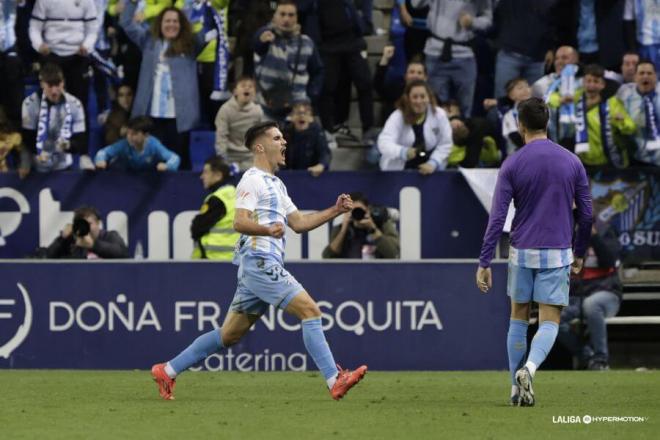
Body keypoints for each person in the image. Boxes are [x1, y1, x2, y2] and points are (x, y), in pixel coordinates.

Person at [150, 121, 368, 401]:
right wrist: (267, 230)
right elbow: (239, 222)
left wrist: (335, 210)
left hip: (256, 267)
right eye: (278, 138)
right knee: (311, 312)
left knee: (228, 335)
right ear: (260, 146)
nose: (284, 142)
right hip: (260, 261)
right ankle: (334, 379)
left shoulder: (277, 184)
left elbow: (299, 223)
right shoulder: (251, 179)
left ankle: (166, 371)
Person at [476, 97, 592, 407]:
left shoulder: (513, 163)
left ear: (520, 125)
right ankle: (530, 369)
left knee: (518, 318)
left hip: (522, 251)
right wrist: (579, 251)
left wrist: (485, 259)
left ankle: (515, 390)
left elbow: (497, 217)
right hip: (557, 252)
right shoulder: (571, 161)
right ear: (548, 122)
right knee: (549, 321)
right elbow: (587, 213)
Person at [119, 2, 208, 170]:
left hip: (179, 117)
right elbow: (127, 23)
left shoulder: (191, 44)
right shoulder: (148, 41)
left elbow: (210, 30)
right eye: (167, 21)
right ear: (160, 24)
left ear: (181, 25)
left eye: (175, 21)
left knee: (180, 160)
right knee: (151, 162)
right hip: (151, 114)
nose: (171, 25)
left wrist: (209, 8)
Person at [412, 0, 493, 118]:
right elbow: (416, 4)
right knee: (435, 107)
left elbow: (488, 20)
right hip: (435, 52)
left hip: (464, 54)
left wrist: (473, 22)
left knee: (465, 109)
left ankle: (462, 134)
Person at [558, 223, 622, 371]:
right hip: (577, 297)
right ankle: (588, 357)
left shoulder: (607, 232)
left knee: (591, 304)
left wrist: (593, 236)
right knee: (553, 318)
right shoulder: (567, 237)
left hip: (606, 294)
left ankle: (601, 358)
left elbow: (610, 261)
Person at [547, 64, 635, 168]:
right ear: (583, 82)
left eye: (596, 81)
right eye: (588, 81)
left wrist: (621, 122)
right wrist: (560, 100)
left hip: (610, 161)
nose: (591, 85)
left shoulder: (612, 103)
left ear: (602, 84)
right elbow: (549, 99)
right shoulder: (575, 98)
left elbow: (631, 128)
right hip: (581, 161)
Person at [253, 0, 323, 121]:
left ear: (296, 17)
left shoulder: (307, 42)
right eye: (282, 14)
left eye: (291, 15)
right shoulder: (265, 36)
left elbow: (318, 71)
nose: (286, 19)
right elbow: (257, 44)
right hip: (265, 108)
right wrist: (262, 38)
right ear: (274, 16)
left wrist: (311, 96)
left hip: (297, 109)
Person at [29, 0, 98, 113]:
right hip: (51, 55)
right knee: (48, 103)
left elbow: (93, 29)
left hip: (78, 56)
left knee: (80, 104)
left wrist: (86, 45)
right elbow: (34, 27)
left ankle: (80, 130)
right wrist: (39, 45)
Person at [21, 63, 89, 172]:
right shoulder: (30, 104)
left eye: (58, 85)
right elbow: (27, 137)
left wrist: (69, 145)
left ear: (63, 82)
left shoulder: (75, 104)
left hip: (64, 165)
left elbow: (81, 138)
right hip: (38, 167)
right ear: (42, 84)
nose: (54, 91)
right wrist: (37, 152)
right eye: (50, 85)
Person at [377, 80, 452, 174]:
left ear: (429, 97)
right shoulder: (397, 116)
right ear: (408, 98)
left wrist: (433, 163)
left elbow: (445, 143)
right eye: (415, 97)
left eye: (422, 96)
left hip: (429, 165)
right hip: (400, 167)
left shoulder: (439, 114)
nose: (419, 101)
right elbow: (384, 142)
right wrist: (402, 152)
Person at [322, 192, 400, 259]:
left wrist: (373, 229)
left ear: (367, 209)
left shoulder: (382, 225)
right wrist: (343, 229)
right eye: (353, 210)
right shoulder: (342, 228)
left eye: (359, 210)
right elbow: (327, 257)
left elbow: (394, 254)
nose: (357, 213)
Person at [191, 156, 239, 260]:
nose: (202, 176)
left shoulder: (218, 199)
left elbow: (196, 228)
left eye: (206, 172)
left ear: (218, 175)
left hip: (213, 260)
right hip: (235, 261)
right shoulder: (237, 195)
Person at [95, 116, 181, 171]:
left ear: (146, 135)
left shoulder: (154, 145)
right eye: (128, 133)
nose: (130, 137)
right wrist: (100, 160)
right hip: (127, 177)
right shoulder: (124, 144)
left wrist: (168, 166)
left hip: (149, 179)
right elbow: (103, 152)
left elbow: (174, 158)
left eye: (135, 134)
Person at [214, 76, 264, 171]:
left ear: (254, 92)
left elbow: (261, 137)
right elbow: (221, 136)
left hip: (250, 156)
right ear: (235, 91)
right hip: (230, 156)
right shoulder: (225, 110)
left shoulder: (258, 111)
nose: (247, 88)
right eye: (243, 85)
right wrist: (222, 159)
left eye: (250, 86)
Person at [616, 60, 660, 166]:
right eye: (641, 73)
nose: (645, 76)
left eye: (649, 73)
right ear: (635, 77)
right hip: (637, 156)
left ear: (656, 76)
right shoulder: (624, 93)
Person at [46, 206, 129, 259]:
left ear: (98, 223)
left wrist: (93, 245)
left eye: (89, 224)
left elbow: (123, 254)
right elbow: (47, 258)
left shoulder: (109, 236)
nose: (86, 228)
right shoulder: (71, 241)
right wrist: (62, 238)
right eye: (81, 224)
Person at [281, 101, 331, 176]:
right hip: (290, 175)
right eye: (298, 113)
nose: (301, 116)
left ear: (311, 118)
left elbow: (325, 153)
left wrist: (321, 165)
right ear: (291, 117)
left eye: (305, 113)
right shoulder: (286, 132)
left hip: (312, 175)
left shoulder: (317, 132)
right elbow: (279, 153)